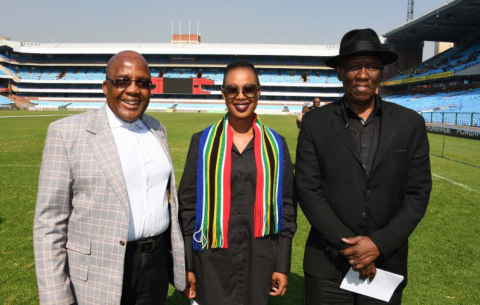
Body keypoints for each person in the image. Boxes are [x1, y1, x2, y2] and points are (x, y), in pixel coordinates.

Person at [33, 50, 185, 305]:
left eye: (142, 83)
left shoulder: (157, 129)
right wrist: (56, 298)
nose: (133, 90)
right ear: (106, 86)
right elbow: (49, 225)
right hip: (100, 271)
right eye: (122, 81)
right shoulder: (66, 133)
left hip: (156, 264)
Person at [296, 29, 432, 304]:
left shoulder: (410, 124)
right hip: (327, 265)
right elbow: (308, 190)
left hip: (385, 262)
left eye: (371, 66)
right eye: (353, 67)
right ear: (339, 72)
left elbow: (418, 193)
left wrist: (378, 244)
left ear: (381, 72)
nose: (362, 75)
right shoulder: (315, 123)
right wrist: (351, 248)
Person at [179, 60, 296, 305]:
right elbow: (187, 206)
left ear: (258, 92)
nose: (240, 96)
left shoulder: (276, 144)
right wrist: (188, 266)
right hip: (210, 260)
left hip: (260, 258)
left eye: (249, 89)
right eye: (232, 89)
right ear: (223, 94)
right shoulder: (201, 142)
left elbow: (287, 208)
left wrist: (282, 265)